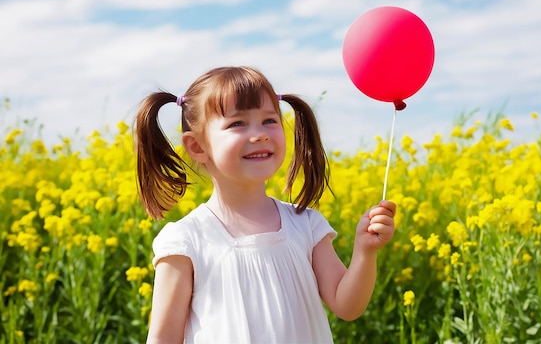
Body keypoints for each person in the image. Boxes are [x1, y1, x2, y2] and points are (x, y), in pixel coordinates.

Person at [135, 66, 396, 343]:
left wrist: (365, 251)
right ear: (198, 147)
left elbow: (347, 305)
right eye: (238, 124)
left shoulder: (306, 224)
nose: (259, 134)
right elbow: (163, 338)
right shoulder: (187, 240)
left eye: (269, 121)